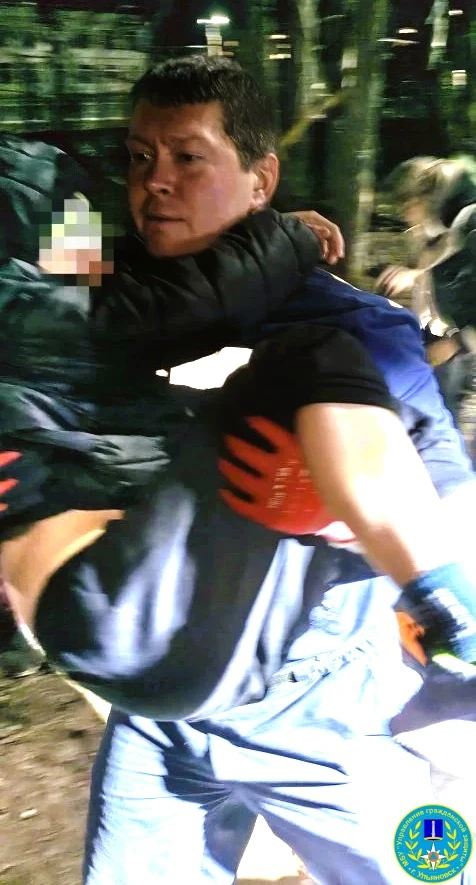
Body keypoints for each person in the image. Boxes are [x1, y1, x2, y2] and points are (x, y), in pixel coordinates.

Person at [1, 57, 476, 884]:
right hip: (161, 714)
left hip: (312, 698)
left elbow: (443, 493)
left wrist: (339, 518)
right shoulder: (112, 292)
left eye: (189, 157)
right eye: (139, 157)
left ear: (261, 180)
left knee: (432, 869)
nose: (155, 182)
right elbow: (79, 270)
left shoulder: (353, 324)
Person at [376, 155, 476, 465]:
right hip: (449, 336)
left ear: (424, 199)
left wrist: (456, 343)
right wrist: (414, 275)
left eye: (407, 207)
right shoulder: (439, 225)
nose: (405, 216)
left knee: (452, 431)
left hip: (462, 342)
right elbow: (445, 264)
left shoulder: (470, 223)